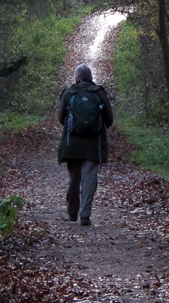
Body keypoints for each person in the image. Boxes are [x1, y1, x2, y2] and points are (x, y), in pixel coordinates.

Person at [58, 64, 113, 226]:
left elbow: (62, 118)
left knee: (74, 178)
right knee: (89, 178)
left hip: (72, 144)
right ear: (91, 78)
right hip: (93, 144)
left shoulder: (69, 92)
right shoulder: (99, 93)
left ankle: (72, 213)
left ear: (76, 78)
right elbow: (109, 119)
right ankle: (85, 216)